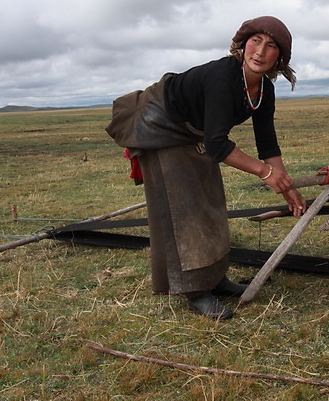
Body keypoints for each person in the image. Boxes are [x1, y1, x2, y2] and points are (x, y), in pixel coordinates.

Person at [105, 16, 307, 320]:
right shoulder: (223, 77)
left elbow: (267, 142)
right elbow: (218, 145)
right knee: (185, 207)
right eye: (255, 41)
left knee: (212, 200)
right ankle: (195, 291)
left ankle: (214, 279)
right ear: (242, 45)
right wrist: (266, 174)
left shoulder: (263, 89)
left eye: (271, 46)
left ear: (280, 58)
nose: (260, 51)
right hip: (159, 124)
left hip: (191, 132)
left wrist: (287, 187)